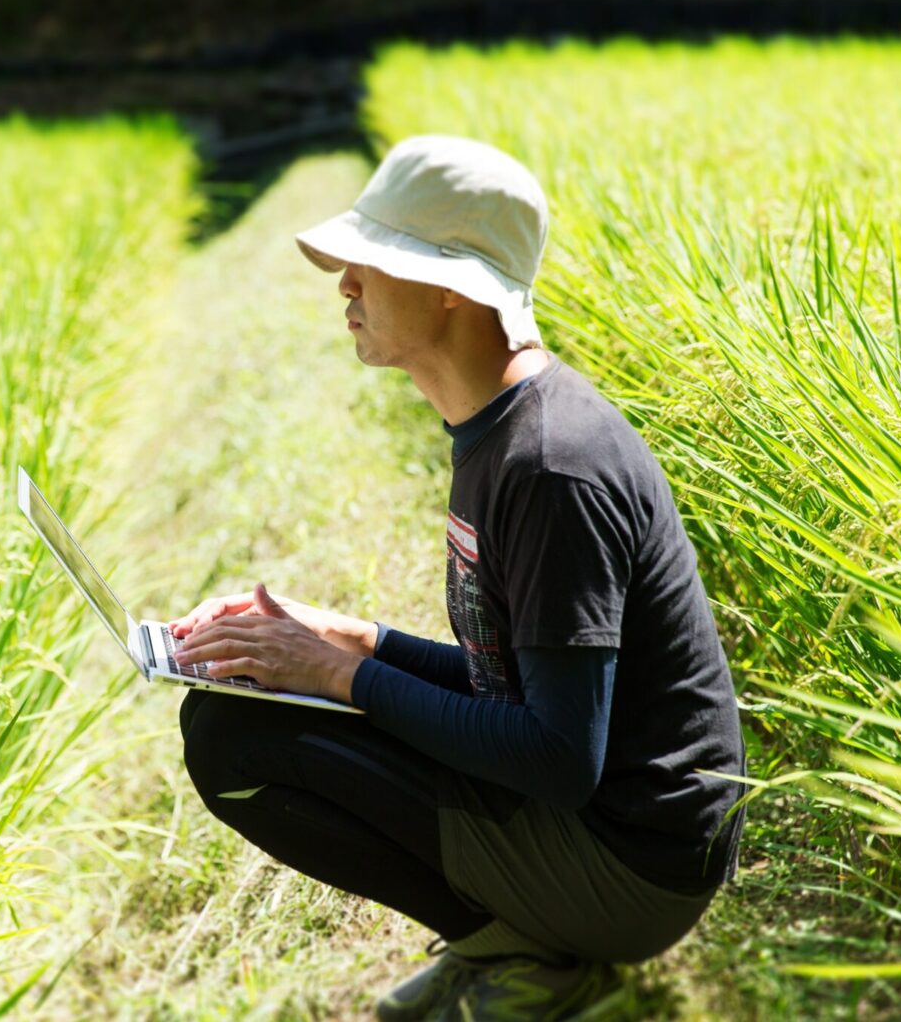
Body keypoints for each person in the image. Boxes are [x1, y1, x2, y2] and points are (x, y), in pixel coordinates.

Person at [170, 135, 748, 1021]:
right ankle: (514, 941)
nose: (346, 286)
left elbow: (558, 758)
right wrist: (354, 640)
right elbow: (510, 684)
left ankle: (535, 960)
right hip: (593, 829)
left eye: (371, 263)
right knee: (223, 711)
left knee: (239, 746)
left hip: (634, 867)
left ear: (452, 287)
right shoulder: (496, 427)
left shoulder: (555, 467)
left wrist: (337, 675)